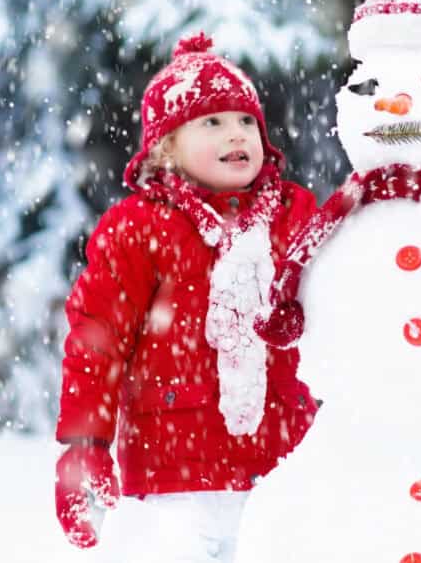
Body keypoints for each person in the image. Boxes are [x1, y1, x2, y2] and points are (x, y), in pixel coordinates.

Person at [53, 33, 317, 563]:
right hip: (176, 478)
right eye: (212, 122)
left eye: (246, 121)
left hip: (285, 468)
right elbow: (97, 342)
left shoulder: (294, 216)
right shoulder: (138, 228)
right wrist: (85, 447)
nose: (236, 133)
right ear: (166, 145)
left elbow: (343, 312)